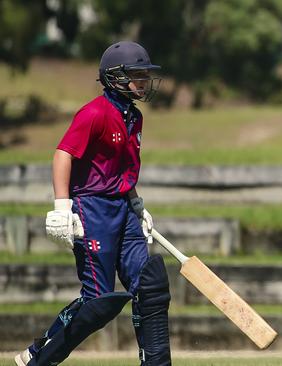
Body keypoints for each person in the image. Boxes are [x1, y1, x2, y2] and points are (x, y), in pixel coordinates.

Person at [15, 41, 170, 366]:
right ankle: (39, 357)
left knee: (150, 285)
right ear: (115, 77)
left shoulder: (134, 118)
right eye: (137, 75)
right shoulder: (95, 113)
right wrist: (62, 207)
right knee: (97, 301)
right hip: (92, 208)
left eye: (146, 75)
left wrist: (136, 204)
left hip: (123, 209)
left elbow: (121, 167)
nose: (144, 81)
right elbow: (63, 155)